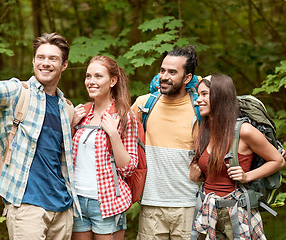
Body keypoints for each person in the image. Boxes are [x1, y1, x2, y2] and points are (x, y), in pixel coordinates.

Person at [0, 31, 81, 239]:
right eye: (40, 57)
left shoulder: (66, 109)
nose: (45, 63)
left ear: (63, 65)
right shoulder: (17, 92)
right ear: (33, 61)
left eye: (53, 58)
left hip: (63, 209)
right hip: (26, 205)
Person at [189, 74, 285, 239]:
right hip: (208, 212)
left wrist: (247, 175)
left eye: (204, 94)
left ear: (220, 95)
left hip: (236, 213)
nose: (198, 100)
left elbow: (278, 160)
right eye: (198, 94)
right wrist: (195, 175)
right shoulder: (203, 130)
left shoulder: (244, 131)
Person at [131, 46, 200, 239]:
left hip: (188, 204)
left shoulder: (200, 108)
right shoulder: (143, 105)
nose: (164, 76)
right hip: (151, 203)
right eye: (162, 70)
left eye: (172, 72)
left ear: (187, 78)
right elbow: (118, 137)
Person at [71, 56, 138, 240]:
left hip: (107, 202)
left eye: (98, 76)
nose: (91, 82)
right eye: (88, 76)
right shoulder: (82, 114)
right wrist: (71, 126)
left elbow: (129, 167)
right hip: (77, 200)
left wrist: (114, 135)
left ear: (112, 81)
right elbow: (65, 156)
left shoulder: (124, 116)